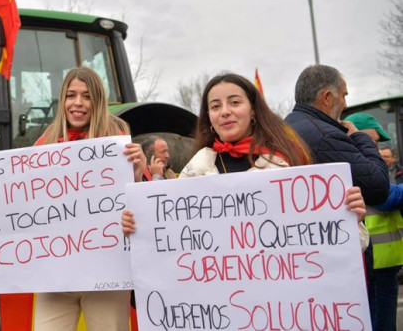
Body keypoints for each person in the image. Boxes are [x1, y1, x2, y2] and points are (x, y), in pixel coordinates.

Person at [0, 67, 145, 331]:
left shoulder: (119, 143)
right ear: (62, 101)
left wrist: (136, 174)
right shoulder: (45, 145)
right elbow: (17, 198)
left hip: (106, 274)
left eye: (87, 96)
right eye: (71, 95)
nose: (77, 103)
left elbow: (144, 209)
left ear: (98, 101)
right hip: (55, 276)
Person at [122, 73, 367, 243]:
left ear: (253, 110)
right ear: (209, 117)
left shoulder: (287, 162)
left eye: (235, 102)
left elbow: (338, 241)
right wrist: (139, 227)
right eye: (216, 106)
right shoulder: (196, 168)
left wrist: (349, 217)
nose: (225, 111)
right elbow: (169, 237)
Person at [284, 64, 389, 206]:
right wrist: (359, 137)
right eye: (343, 96)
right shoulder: (327, 137)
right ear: (327, 98)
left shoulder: (284, 127)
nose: (345, 105)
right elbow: (379, 188)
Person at [345, 112, 403, 331]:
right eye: (373, 141)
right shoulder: (359, 166)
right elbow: (385, 197)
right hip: (374, 261)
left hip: (384, 259)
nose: (376, 149)